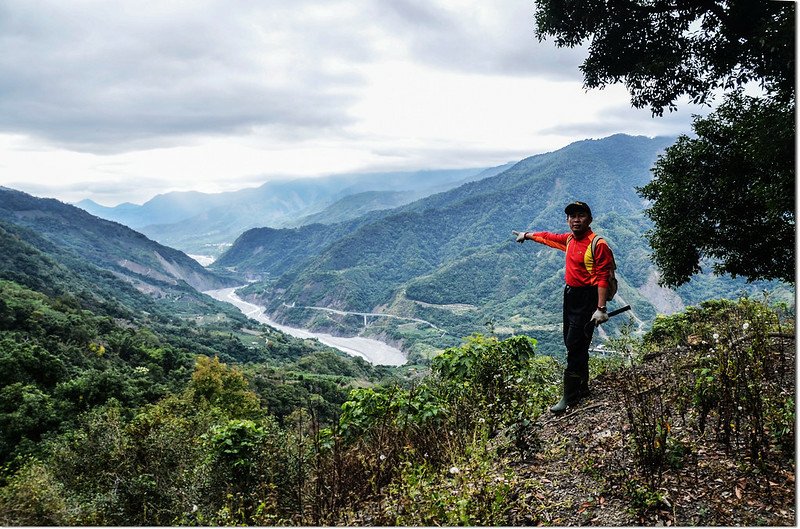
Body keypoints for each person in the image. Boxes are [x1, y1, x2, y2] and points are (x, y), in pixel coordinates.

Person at [512, 201, 614, 413]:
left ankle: (570, 396)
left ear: (590, 219)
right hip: (570, 295)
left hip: (588, 297)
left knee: (574, 344)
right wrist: (527, 235)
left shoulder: (597, 243)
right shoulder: (569, 239)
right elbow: (548, 238)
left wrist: (601, 308)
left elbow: (603, 276)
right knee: (573, 341)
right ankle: (583, 387)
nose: (575, 220)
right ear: (567, 220)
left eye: (580, 215)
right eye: (571, 216)